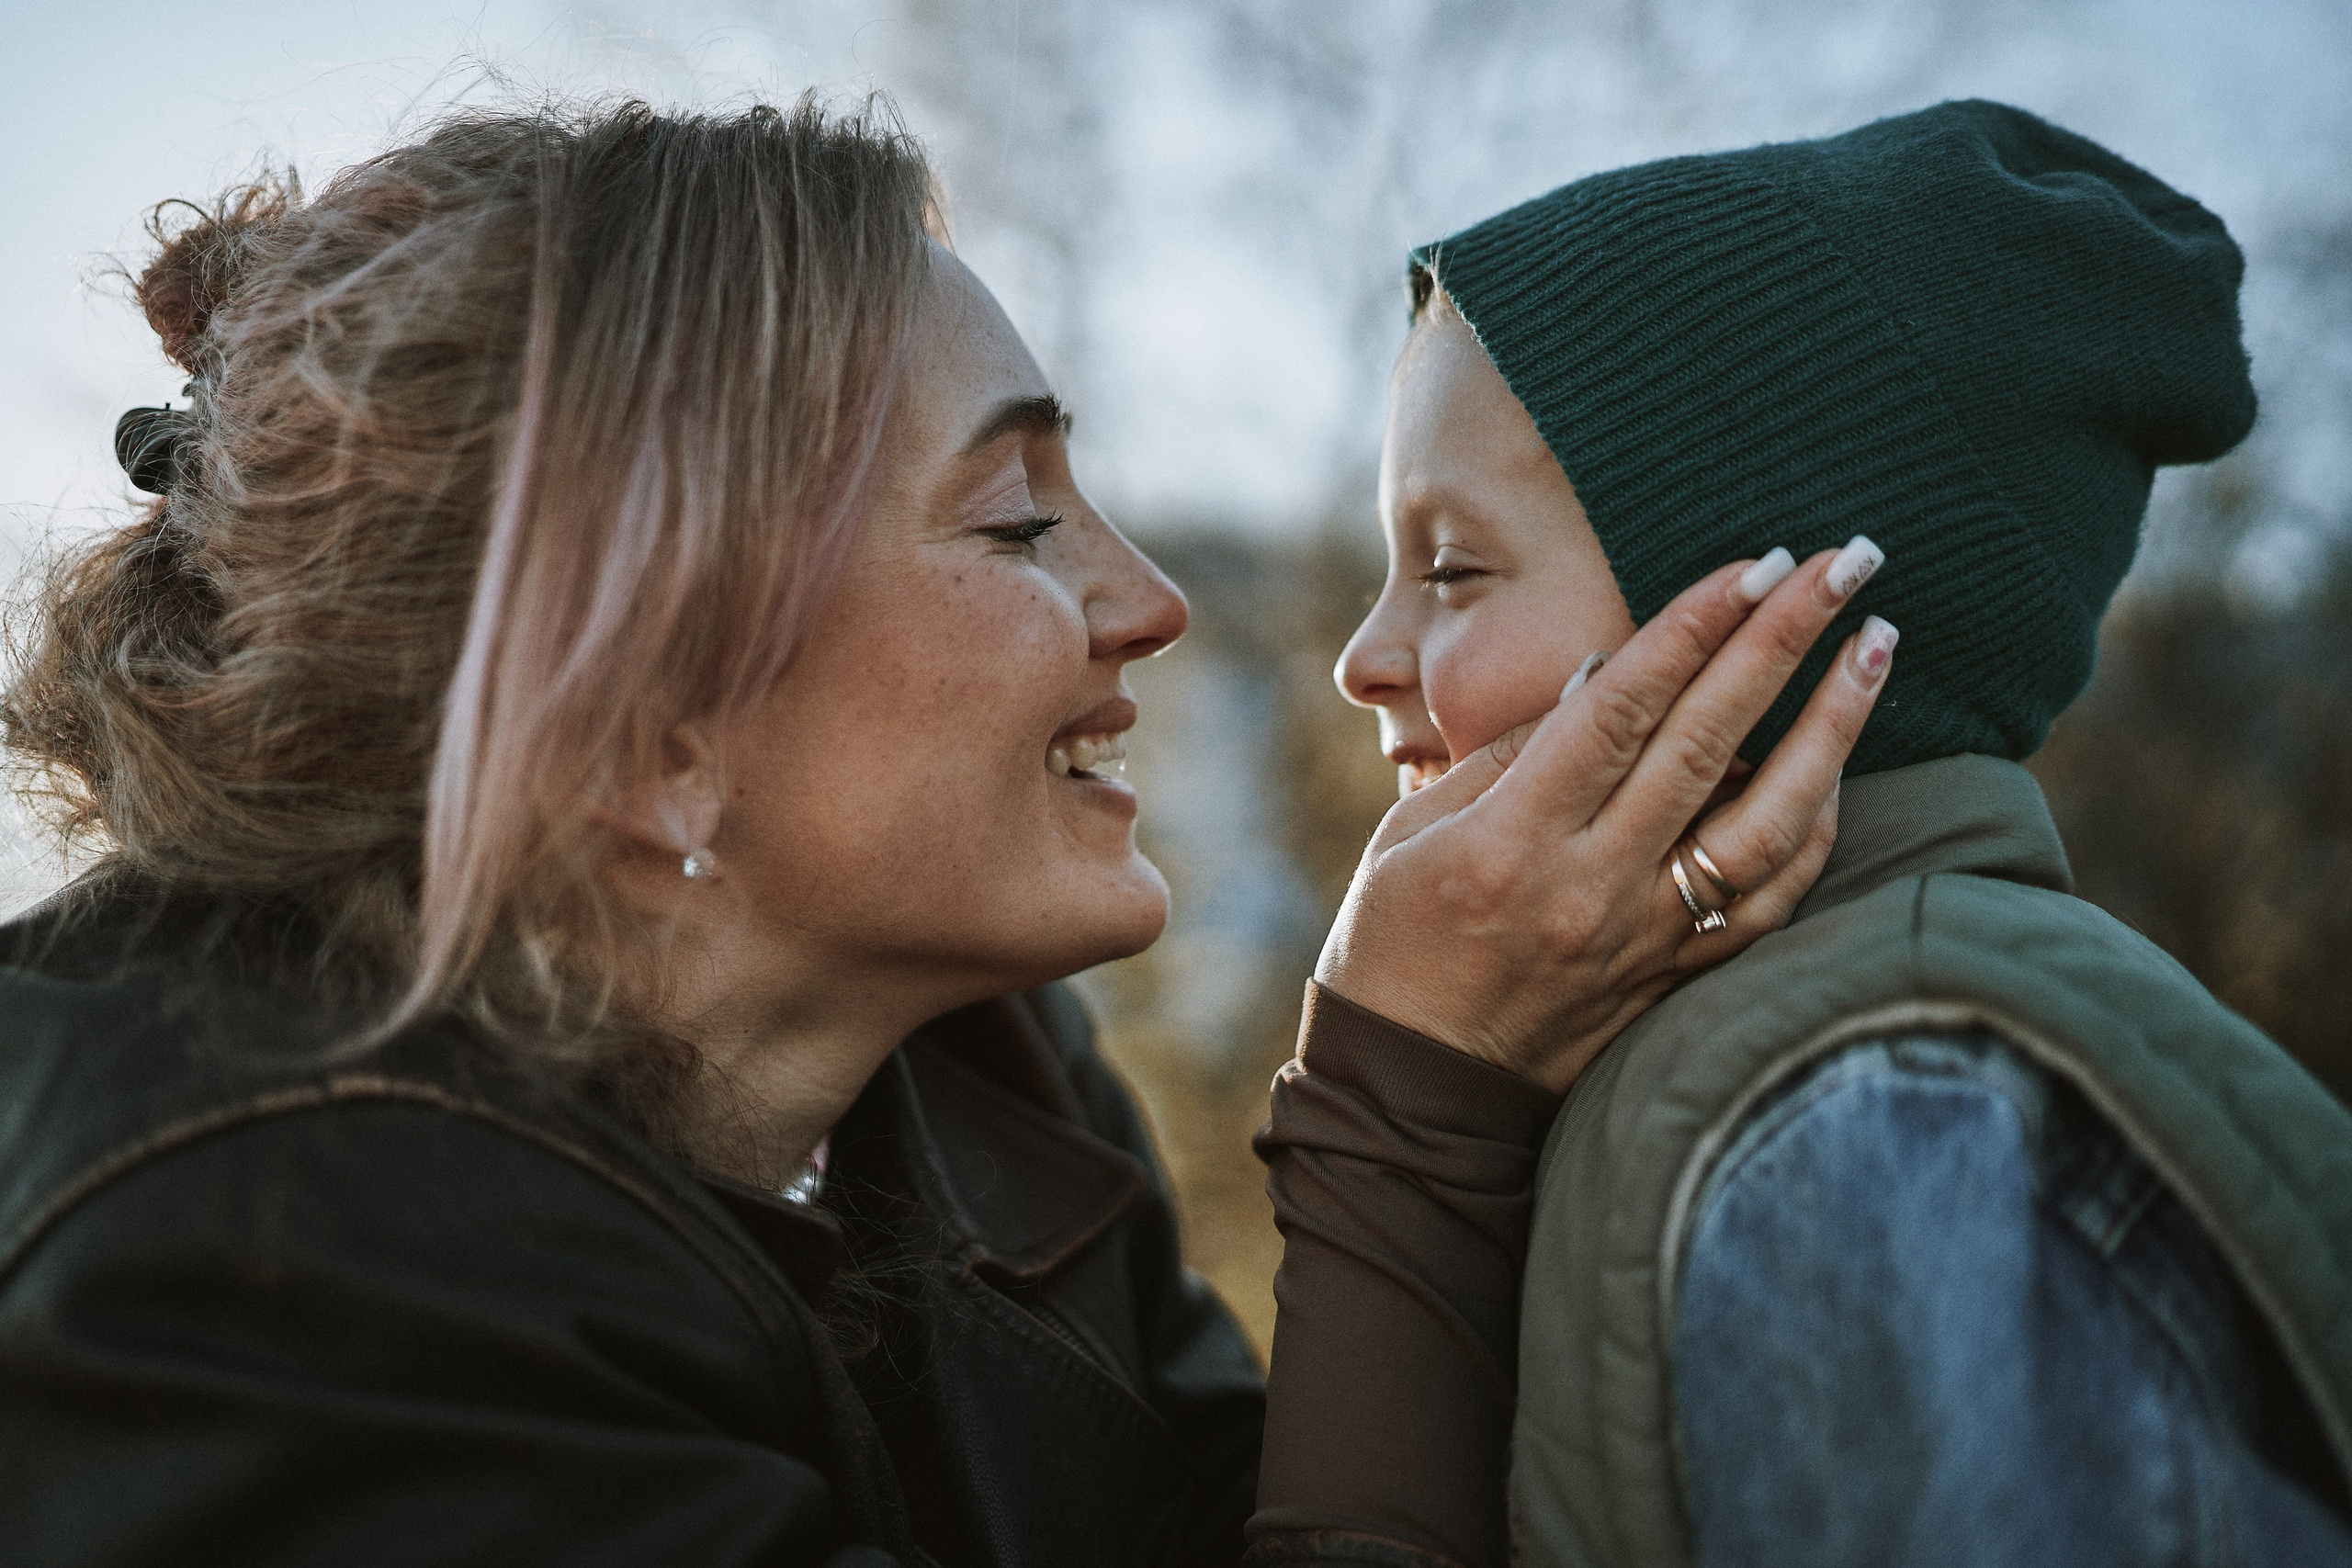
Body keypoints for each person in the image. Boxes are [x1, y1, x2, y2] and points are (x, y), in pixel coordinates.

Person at [0, 97, 1885, 1564]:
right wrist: (1413, 1110)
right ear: (646, 728)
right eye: (1013, 524)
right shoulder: (268, 1281)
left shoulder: (967, 1066)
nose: (1147, 602)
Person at [1313, 100, 2352, 1568]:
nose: (1361, 656)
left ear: (1772, 626)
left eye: (1455, 567)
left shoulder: (1859, 1120)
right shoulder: (1708, 1066)